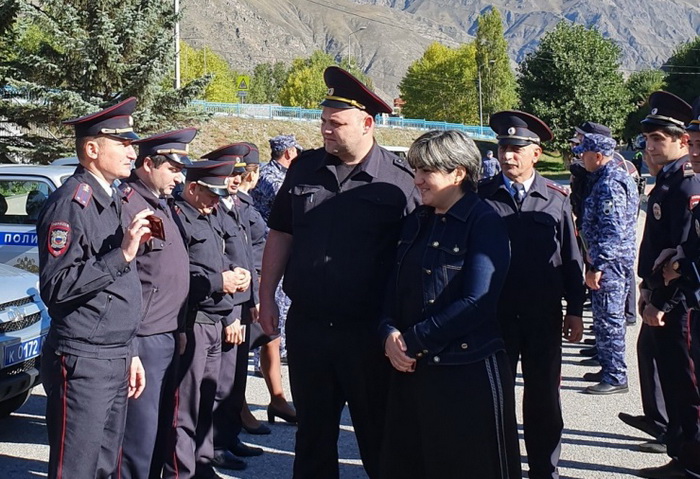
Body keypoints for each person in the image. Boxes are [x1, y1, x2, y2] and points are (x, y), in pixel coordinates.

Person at [258, 66, 420, 478]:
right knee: (313, 437)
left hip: (368, 332)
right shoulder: (304, 169)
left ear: (367, 124)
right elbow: (281, 233)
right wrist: (266, 297)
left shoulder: (399, 181)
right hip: (309, 327)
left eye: (337, 123)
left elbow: (415, 260)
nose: (326, 130)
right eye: (323, 121)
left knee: (378, 435)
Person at [378, 130, 520, 479]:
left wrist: (413, 340)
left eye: (427, 171)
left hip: (465, 371)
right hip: (412, 370)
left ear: (458, 173)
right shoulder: (416, 221)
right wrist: (387, 332)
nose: (417, 180)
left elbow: (478, 301)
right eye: (416, 170)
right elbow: (392, 288)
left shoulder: (484, 222)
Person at [37, 97, 151, 479]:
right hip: (84, 360)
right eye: (123, 143)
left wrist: (130, 351)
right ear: (92, 149)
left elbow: (120, 290)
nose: (133, 153)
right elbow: (56, 286)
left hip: (114, 355)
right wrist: (121, 254)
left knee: (104, 469)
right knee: (76, 469)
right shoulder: (71, 204)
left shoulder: (111, 197)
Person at [478, 110, 585, 479]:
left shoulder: (555, 199)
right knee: (496, 398)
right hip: (495, 317)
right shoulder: (482, 196)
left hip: (542, 317)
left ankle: (544, 470)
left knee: (543, 400)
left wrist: (575, 310)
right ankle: (502, 468)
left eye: (516, 149)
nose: (507, 156)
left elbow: (571, 259)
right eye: (503, 148)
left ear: (536, 154)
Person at [163, 160, 248, 479]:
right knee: (184, 406)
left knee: (206, 401)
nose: (216, 201)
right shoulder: (178, 218)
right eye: (212, 194)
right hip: (193, 320)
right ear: (192, 188)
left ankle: (201, 463)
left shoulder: (208, 215)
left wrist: (234, 273)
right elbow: (178, 275)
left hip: (213, 318)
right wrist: (219, 282)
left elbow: (217, 257)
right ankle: (180, 471)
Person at [119, 128, 195, 479]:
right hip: (144, 337)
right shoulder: (129, 204)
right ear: (148, 164)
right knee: (139, 439)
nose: (179, 178)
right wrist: (131, 344)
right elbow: (126, 277)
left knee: (160, 432)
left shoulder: (159, 204)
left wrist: (179, 328)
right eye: (173, 169)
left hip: (166, 332)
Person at [635, 91, 700, 479]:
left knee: (687, 387)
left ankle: (690, 463)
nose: (650, 146)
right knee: (673, 380)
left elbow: (686, 254)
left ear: (680, 141)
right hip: (663, 293)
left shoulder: (686, 186)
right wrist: (648, 289)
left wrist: (662, 300)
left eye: (658, 139)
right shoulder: (667, 180)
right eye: (647, 138)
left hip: (679, 303)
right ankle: (679, 452)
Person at [575, 133, 639, 394]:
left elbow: (612, 230)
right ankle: (606, 365)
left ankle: (615, 376)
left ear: (598, 156)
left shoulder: (610, 183)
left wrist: (598, 266)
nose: (581, 157)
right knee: (602, 317)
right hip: (608, 259)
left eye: (585, 153)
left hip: (610, 263)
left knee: (610, 318)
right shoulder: (605, 178)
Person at [249, 134, 302, 427]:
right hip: (270, 250)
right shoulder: (273, 179)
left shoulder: (273, 174)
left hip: (272, 248)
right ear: (289, 152)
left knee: (276, 316)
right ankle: (267, 362)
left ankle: (275, 387)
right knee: (273, 315)